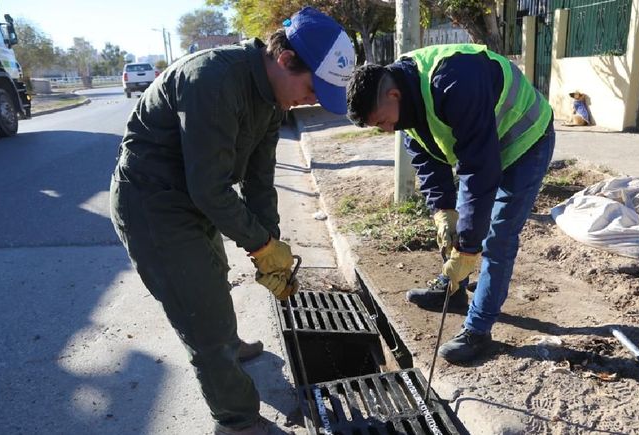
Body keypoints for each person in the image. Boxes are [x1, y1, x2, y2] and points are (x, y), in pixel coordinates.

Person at [109, 7, 354, 434]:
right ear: (284, 59)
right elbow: (209, 189)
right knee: (200, 310)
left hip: (195, 196)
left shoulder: (273, 99)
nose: (313, 100)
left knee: (214, 276)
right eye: (313, 87)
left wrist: (271, 246)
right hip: (153, 202)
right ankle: (237, 419)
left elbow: (259, 181)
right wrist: (259, 245)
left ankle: (227, 341)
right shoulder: (215, 80)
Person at [346, 44, 554, 364]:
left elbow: (479, 170)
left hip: (525, 139)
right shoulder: (406, 102)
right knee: (459, 223)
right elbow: (428, 161)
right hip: (486, 146)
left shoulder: (454, 80)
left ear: (393, 96)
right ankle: (453, 291)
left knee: (497, 237)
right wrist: (443, 212)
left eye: (383, 122)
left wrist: (469, 248)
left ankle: (478, 330)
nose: (387, 129)